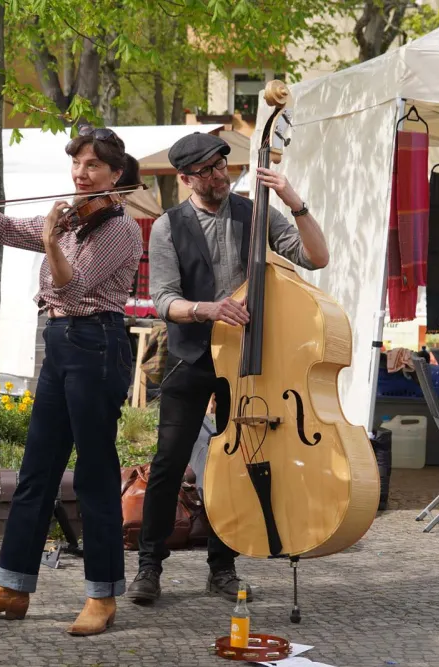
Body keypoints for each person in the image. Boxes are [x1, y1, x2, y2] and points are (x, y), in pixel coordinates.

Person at [0, 125, 143, 636]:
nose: (81, 172)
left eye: (93, 165)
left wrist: (52, 239)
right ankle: (11, 587)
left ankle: (102, 595)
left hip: (97, 345)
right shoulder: (70, 217)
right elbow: (6, 229)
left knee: (96, 473)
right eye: (77, 163)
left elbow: (70, 285)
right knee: (36, 471)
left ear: (116, 175)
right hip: (58, 345)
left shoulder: (121, 229)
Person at [126, 132, 329, 604]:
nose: (220, 175)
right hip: (193, 354)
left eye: (222, 166)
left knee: (236, 460)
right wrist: (208, 310)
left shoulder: (255, 211)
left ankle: (223, 568)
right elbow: (163, 300)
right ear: (185, 178)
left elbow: (316, 258)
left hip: (248, 359)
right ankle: (149, 566)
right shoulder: (167, 226)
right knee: (169, 462)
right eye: (208, 171)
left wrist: (292, 199)